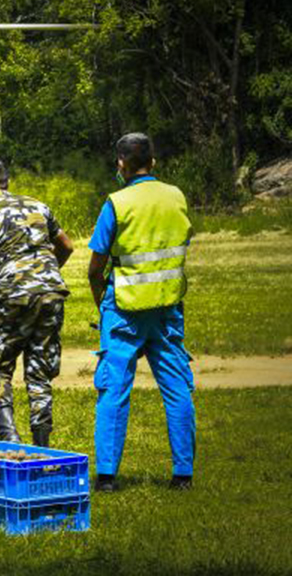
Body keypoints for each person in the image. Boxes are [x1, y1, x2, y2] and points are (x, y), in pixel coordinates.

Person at [88, 133, 196, 492]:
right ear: (153, 160)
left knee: (114, 389)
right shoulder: (176, 196)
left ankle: (106, 475)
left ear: (121, 163)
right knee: (177, 389)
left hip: (125, 310)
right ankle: (182, 474)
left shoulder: (117, 203)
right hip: (167, 309)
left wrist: (99, 299)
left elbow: (95, 264)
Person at [0, 159, 73, 447]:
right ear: (7, 181)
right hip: (51, 292)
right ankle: (42, 445)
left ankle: (9, 437)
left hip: (11, 294)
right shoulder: (38, 206)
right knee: (40, 371)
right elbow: (66, 246)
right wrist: (44, 274)